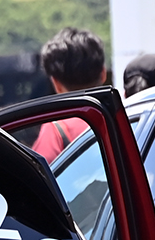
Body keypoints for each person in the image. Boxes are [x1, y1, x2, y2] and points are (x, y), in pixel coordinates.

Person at [34, 27, 107, 160]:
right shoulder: (130, 118)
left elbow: (37, 176)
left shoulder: (57, 130)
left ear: (56, 83)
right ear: (103, 74)